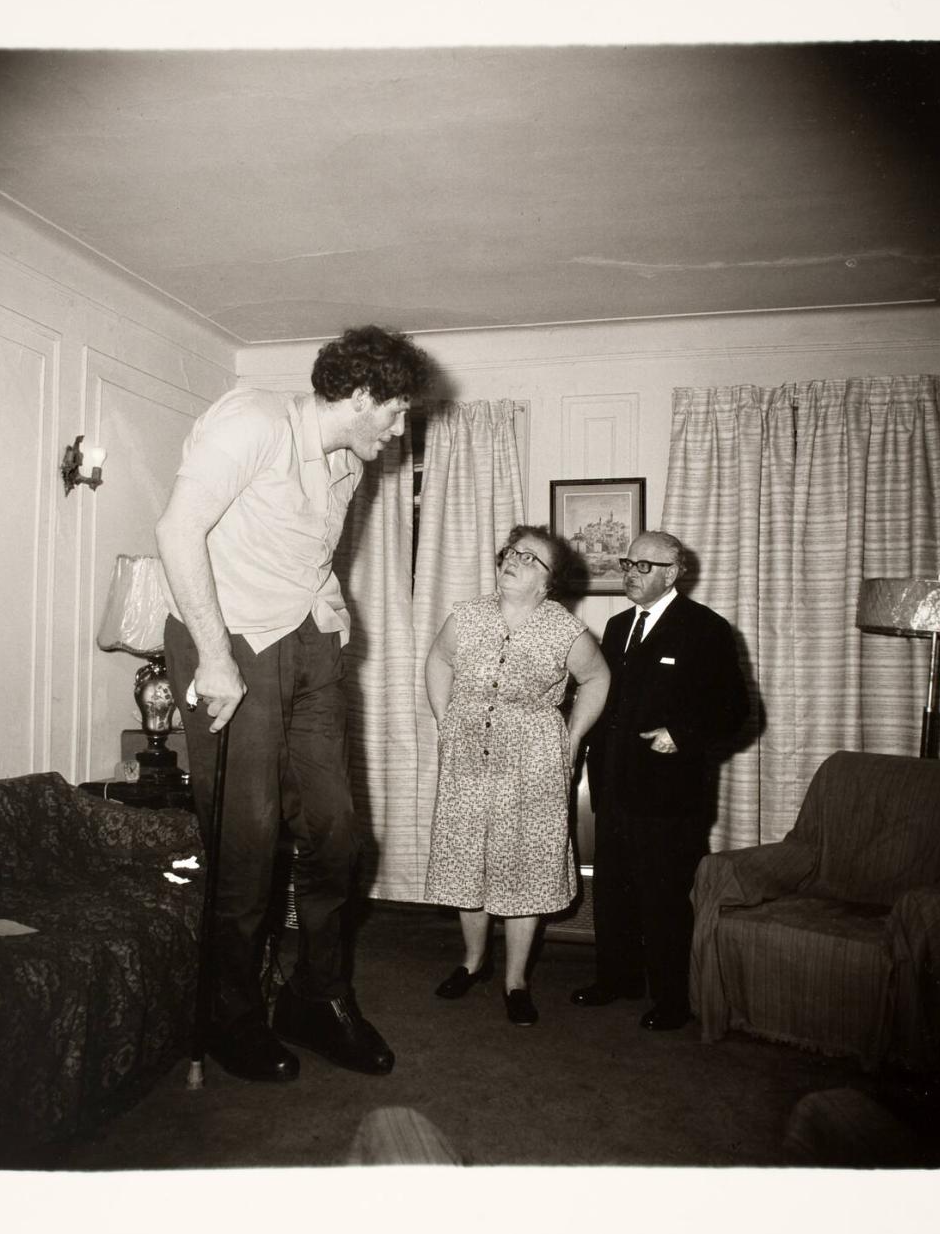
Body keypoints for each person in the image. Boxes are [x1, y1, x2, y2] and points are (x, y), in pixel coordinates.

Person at [156, 324, 433, 1084]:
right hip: (231, 641)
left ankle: (316, 995)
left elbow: (305, 548)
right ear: (361, 396)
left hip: (307, 641)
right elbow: (178, 531)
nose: (401, 429)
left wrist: (330, 607)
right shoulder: (250, 421)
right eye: (397, 412)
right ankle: (231, 1013)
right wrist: (214, 658)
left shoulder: (349, 461)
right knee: (246, 846)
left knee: (339, 836)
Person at [423, 525, 610, 1026]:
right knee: (469, 860)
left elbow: (597, 679)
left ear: (549, 582)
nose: (513, 561)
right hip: (467, 757)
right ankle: (472, 962)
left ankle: (516, 980)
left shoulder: (565, 629)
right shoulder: (466, 615)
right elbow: (439, 660)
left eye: (530, 558)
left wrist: (571, 740)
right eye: (511, 552)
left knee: (524, 866)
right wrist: (445, 721)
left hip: (532, 763)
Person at [571, 529, 748, 1030]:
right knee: (613, 890)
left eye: (642, 566)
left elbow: (734, 709)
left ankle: (672, 1000)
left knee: (665, 898)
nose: (629, 572)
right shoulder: (616, 625)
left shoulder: (705, 629)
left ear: (672, 573)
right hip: (614, 786)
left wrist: (683, 734)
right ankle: (616, 979)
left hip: (671, 796)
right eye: (627, 563)